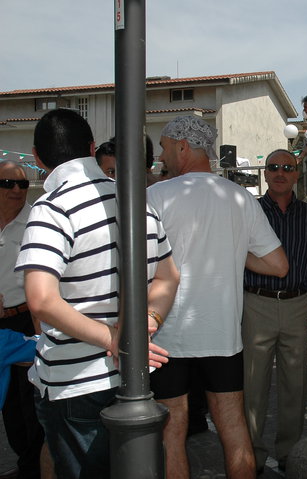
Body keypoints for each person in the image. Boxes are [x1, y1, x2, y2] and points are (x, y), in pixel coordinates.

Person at [15, 108, 179, 478]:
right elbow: (169, 278)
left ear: (37, 157)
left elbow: (40, 300)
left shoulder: (53, 207)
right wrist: (144, 326)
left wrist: (113, 339)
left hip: (74, 384)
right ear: (91, 147)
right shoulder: (138, 202)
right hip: (132, 377)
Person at [147, 115, 289, 479]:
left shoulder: (155, 195)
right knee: (232, 426)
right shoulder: (240, 197)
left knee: (171, 432)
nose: (161, 158)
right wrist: (233, 249)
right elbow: (278, 265)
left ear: (182, 147)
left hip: (166, 337)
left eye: (164, 148)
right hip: (223, 335)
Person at [243, 149, 307, 473]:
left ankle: (290, 454)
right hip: (256, 304)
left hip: (297, 306)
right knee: (252, 387)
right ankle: (250, 456)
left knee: (296, 386)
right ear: (265, 173)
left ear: (296, 174)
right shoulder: (249, 211)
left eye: (287, 168)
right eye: (274, 167)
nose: (280, 172)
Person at [0, 161, 44, 479]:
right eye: (7, 184)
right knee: (9, 407)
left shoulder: (35, 221)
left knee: (30, 403)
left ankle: (32, 466)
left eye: (22, 184)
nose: (16, 190)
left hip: (27, 321)